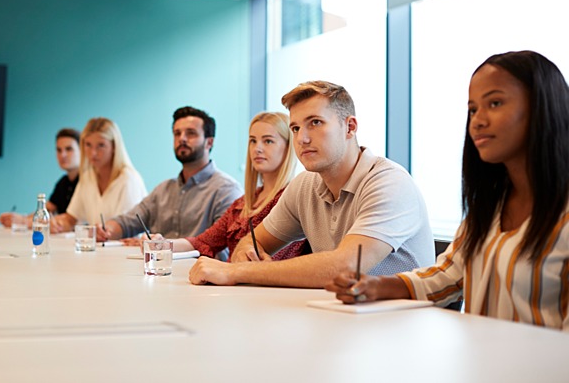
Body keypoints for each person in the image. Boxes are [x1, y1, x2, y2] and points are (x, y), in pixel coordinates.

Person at [326, 51, 569, 332]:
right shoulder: (491, 206)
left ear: (542, 107)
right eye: (473, 109)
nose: (477, 121)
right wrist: (376, 285)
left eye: (495, 103)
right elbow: (450, 275)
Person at [188, 81, 435, 287]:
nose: (302, 138)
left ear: (350, 127)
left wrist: (237, 272)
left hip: (402, 327)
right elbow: (252, 242)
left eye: (315, 123)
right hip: (342, 319)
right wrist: (245, 254)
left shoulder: (389, 182)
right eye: (295, 128)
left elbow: (345, 266)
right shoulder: (305, 185)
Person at [168, 111, 308, 260]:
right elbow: (202, 242)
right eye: (253, 141)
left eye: (268, 141)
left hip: (260, 281)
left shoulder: (291, 199)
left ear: (288, 148)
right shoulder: (242, 204)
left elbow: (271, 262)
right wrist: (161, 244)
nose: (257, 149)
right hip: (234, 280)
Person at [97, 106, 242, 244]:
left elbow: (222, 244)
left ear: (209, 142)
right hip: (157, 268)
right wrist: (106, 230)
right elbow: (128, 222)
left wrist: (166, 246)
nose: (182, 139)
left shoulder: (226, 190)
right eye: (177, 133)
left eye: (190, 133)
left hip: (198, 269)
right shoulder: (163, 190)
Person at [50, 118, 147, 233]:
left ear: (114, 147)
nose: (93, 153)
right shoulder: (87, 177)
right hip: (98, 248)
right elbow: (71, 219)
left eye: (101, 145)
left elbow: (130, 229)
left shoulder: (128, 180)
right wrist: (58, 224)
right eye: (88, 145)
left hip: (125, 249)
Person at [0, 128, 81, 228]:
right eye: (59, 150)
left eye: (69, 149)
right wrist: (19, 219)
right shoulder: (63, 182)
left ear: (82, 151)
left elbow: (71, 219)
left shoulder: (88, 182)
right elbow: (46, 210)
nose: (62, 155)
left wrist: (24, 222)